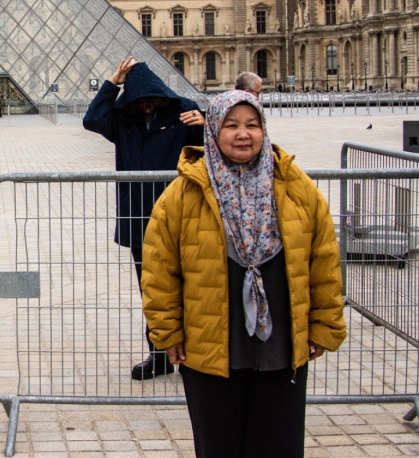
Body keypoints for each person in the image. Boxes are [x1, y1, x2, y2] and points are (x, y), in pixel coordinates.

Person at [142, 90, 346, 458]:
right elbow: (160, 272)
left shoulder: (297, 187)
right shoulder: (181, 195)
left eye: (252, 125)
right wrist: (167, 332)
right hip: (209, 345)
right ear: (213, 131)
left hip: (282, 343)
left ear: (264, 130)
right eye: (231, 125)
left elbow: (324, 262)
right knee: (218, 445)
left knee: (279, 445)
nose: (243, 134)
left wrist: (325, 324)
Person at [84, 56, 204, 380]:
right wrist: (112, 82)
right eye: (140, 101)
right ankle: (160, 354)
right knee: (152, 291)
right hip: (140, 219)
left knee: (189, 287)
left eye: (151, 100)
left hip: (179, 217)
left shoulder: (185, 113)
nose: (147, 107)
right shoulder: (124, 121)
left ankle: (193, 353)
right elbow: (92, 119)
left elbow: (215, 149)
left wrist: (208, 124)